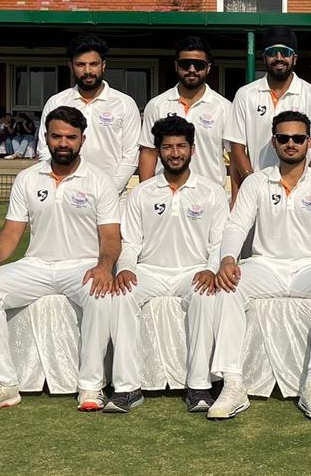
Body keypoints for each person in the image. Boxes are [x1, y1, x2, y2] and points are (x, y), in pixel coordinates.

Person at [0, 106, 120, 413]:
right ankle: (3, 384)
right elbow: (11, 232)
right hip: (36, 265)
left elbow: (112, 237)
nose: (64, 143)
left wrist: (104, 267)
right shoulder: (27, 178)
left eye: (71, 137)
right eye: (57, 136)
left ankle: (90, 385)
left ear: (82, 140)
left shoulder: (100, 181)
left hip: (81, 266)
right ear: (46, 138)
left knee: (101, 294)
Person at [209, 111, 311, 421]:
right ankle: (232, 383)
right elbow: (236, 226)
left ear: (309, 143)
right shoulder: (256, 182)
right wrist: (228, 259)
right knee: (229, 287)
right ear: (273, 142)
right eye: (284, 138)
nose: (291, 144)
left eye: (298, 138)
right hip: (266, 266)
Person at [107, 116, 230, 414]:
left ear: (192, 149)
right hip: (150, 271)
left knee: (205, 294)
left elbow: (219, 244)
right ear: (158, 151)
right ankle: (126, 388)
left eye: (181, 147)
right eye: (167, 147)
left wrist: (211, 268)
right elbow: (131, 243)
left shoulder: (212, 192)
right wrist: (125, 268)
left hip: (193, 270)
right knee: (121, 294)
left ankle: (199, 386)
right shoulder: (142, 192)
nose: (175, 153)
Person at [224, 26, 311, 190]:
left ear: (295, 58)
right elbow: (237, 148)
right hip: (259, 192)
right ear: (264, 57)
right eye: (272, 52)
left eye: (285, 53)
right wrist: (253, 183)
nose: (279, 58)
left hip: (302, 193)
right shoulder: (245, 94)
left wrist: (302, 183)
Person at [37, 35, 141, 193]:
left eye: (93, 64)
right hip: (66, 193)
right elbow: (44, 149)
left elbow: (131, 154)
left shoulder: (124, 103)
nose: (87, 71)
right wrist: (63, 185)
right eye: (80, 64)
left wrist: (109, 190)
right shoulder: (56, 102)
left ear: (103, 66)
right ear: (71, 66)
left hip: (113, 195)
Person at [139, 36, 232, 188]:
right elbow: (148, 153)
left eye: (198, 65)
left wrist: (235, 199)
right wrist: (146, 193)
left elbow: (233, 157)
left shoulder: (224, 107)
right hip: (165, 195)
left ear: (208, 67)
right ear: (176, 66)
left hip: (209, 196)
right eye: (185, 64)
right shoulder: (157, 105)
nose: (191, 70)